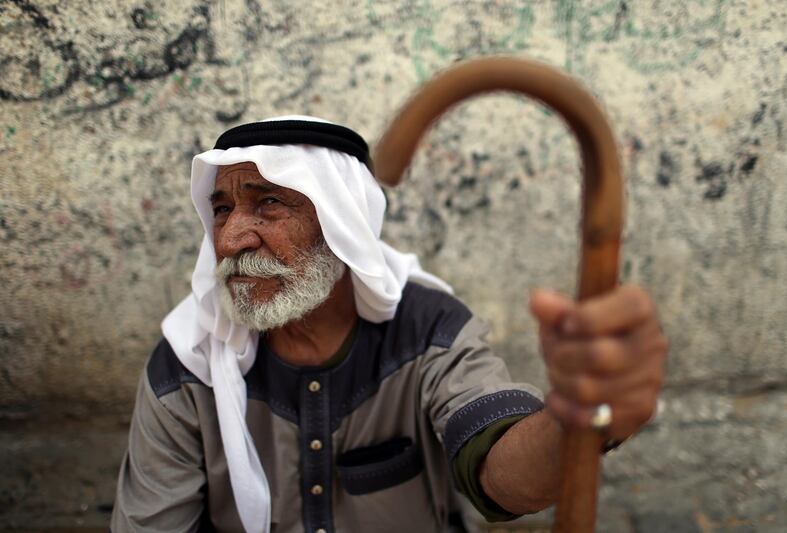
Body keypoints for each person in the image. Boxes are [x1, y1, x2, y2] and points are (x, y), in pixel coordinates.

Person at [111, 116, 667, 533]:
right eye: (223, 209)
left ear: (341, 223)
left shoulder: (429, 330)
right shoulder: (186, 364)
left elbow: (503, 479)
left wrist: (578, 418)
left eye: (269, 204)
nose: (230, 238)